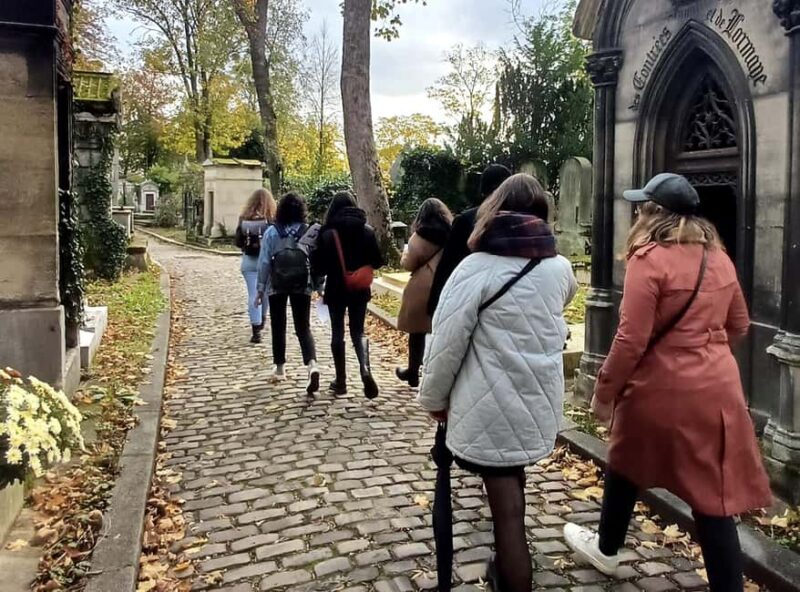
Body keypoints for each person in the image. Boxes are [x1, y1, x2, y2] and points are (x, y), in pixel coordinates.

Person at [563, 173, 771, 592]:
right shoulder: (720, 258)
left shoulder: (649, 258)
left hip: (659, 388)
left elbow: (631, 338)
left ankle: (606, 548)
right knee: (711, 500)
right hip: (718, 389)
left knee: (626, 459)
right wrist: (704, 354)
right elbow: (739, 324)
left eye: (642, 205)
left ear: (654, 212)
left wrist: (604, 394)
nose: (637, 210)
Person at [418, 174, 577, 592]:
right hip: (535, 401)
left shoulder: (476, 268)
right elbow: (564, 299)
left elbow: (446, 342)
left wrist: (434, 398)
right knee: (511, 488)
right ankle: (503, 569)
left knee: (507, 511)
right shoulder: (558, 268)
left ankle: (512, 577)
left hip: (491, 404)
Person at [311, 192, 385, 398]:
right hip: (360, 289)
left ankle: (341, 381)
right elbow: (378, 261)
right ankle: (365, 369)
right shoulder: (367, 231)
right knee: (358, 331)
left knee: (337, 332)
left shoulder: (327, 233)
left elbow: (319, 266)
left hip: (336, 288)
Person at [255, 192, 320, 394]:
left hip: (277, 284)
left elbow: (264, 262)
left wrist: (259, 289)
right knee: (303, 326)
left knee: (278, 324)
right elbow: (316, 262)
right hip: (302, 284)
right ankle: (312, 364)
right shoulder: (308, 232)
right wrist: (319, 286)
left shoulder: (272, 232)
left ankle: (280, 367)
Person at [427, 163, 512, 316]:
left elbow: (447, 266)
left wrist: (435, 307)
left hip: (470, 299)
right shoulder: (522, 221)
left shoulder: (466, 220)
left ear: (483, 189)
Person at [395, 198, 453, 387]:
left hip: (423, 286)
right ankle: (439, 374)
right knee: (443, 332)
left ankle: (413, 371)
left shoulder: (419, 237)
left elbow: (408, 263)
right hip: (447, 282)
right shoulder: (453, 234)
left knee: (417, 332)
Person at [235, 188, 275, 344]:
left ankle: (255, 329)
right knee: (264, 292)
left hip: (248, 262)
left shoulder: (244, 218)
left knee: (253, 293)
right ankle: (262, 319)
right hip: (267, 262)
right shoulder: (271, 219)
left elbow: (238, 241)